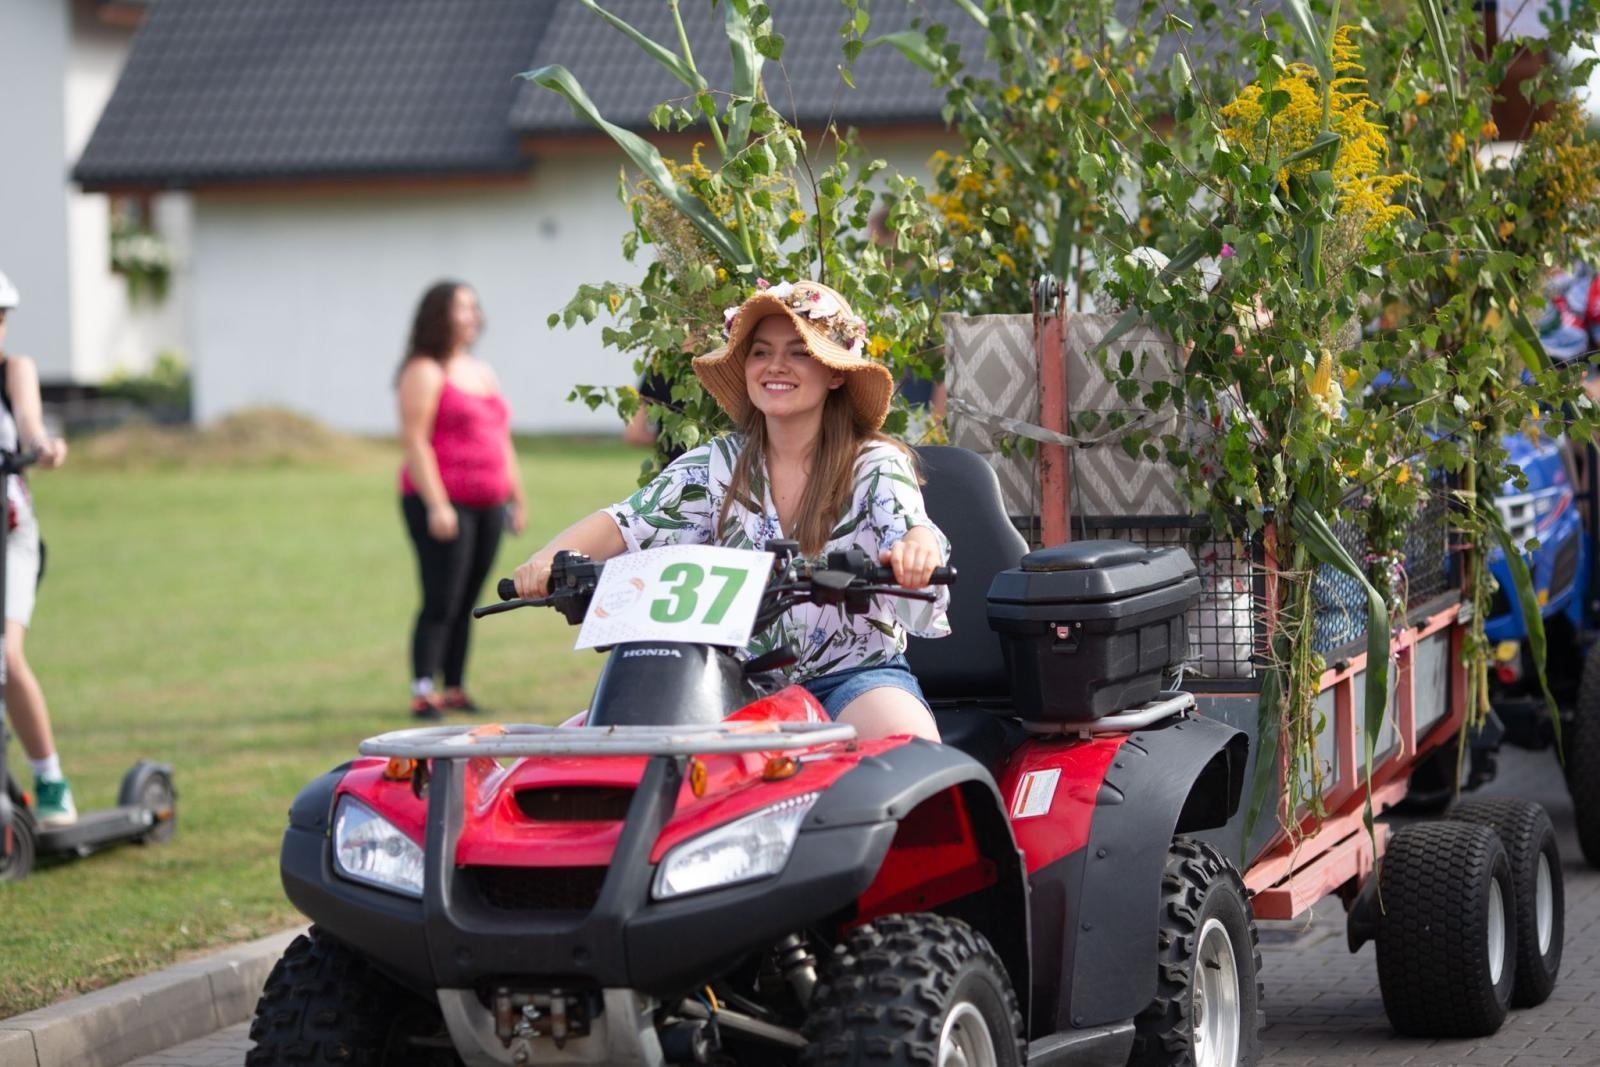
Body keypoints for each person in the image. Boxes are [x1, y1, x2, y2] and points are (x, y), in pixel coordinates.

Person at [514, 280, 949, 741]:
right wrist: (548, 559)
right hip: (733, 682)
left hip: (852, 677)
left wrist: (916, 551)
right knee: (599, 749)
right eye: (760, 353)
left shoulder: (874, 463)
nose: (775, 366)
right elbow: (625, 522)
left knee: (909, 744)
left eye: (799, 352)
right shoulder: (716, 464)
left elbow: (908, 525)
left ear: (835, 372)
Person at [397, 281, 525, 720]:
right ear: (439, 316)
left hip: (489, 503)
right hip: (444, 505)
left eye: (474, 307)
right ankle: (422, 688)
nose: (473, 315)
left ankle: (453, 686)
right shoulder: (424, 371)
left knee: (468, 598)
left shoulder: (481, 370)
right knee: (442, 598)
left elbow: (501, 439)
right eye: (462, 308)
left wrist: (516, 497)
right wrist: (437, 505)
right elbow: (415, 441)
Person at [0, 270, 74, 826]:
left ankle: (51, 781)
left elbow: (29, 422)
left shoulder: (13, 371)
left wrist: (41, 445)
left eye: (2, 318)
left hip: (12, 538)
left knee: (4, 656)